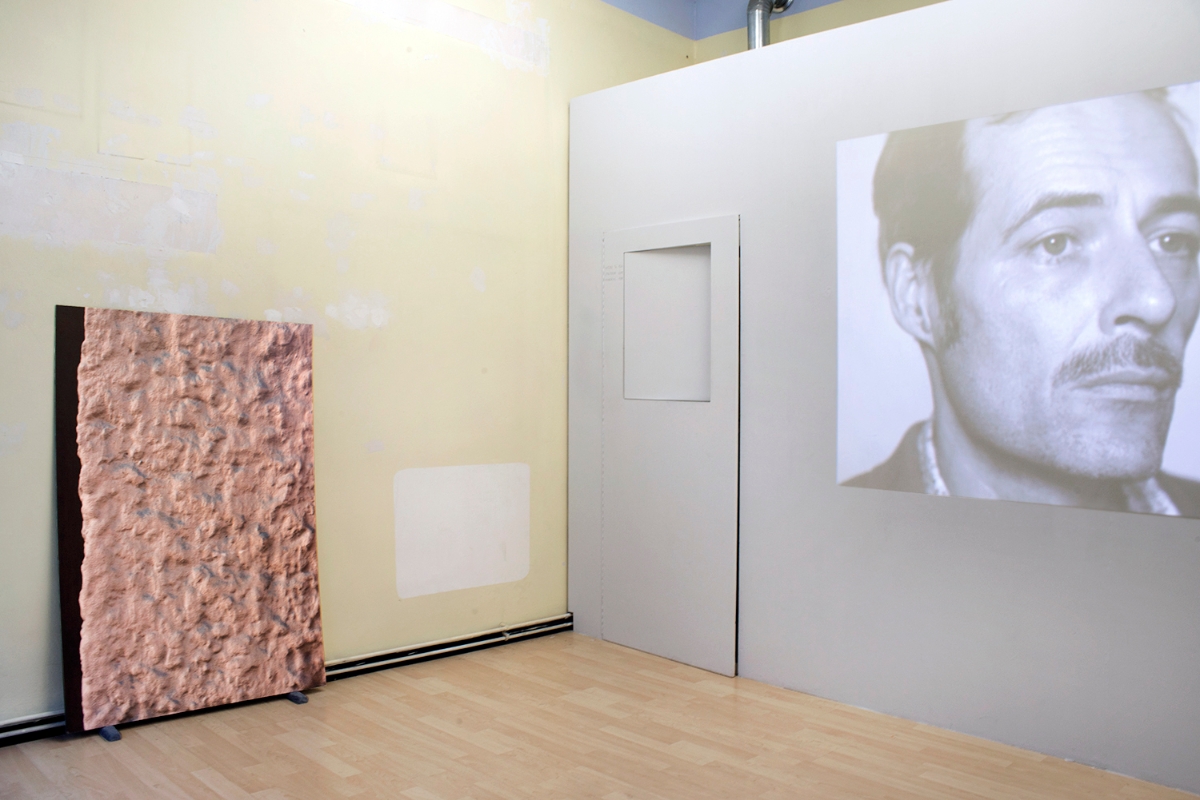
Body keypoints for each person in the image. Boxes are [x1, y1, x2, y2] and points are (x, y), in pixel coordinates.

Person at [844, 89, 1200, 516]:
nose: (1156, 299)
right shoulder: (826, 540)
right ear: (917, 295)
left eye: (1172, 241)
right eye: (1056, 243)